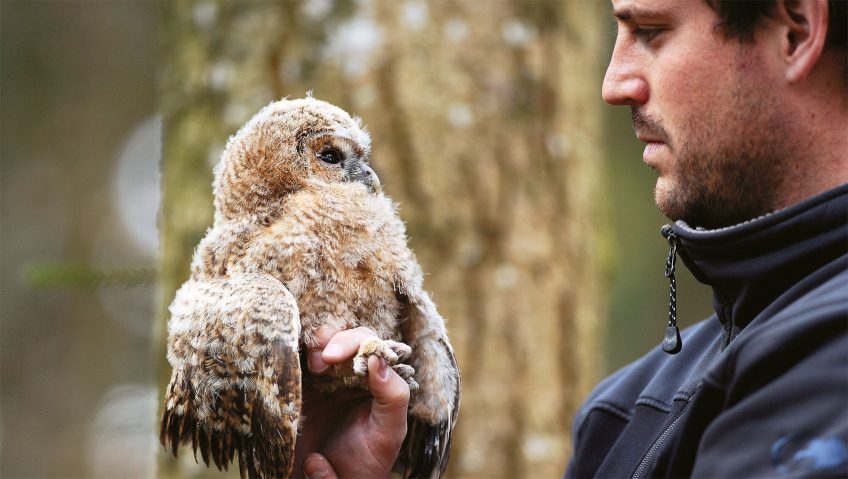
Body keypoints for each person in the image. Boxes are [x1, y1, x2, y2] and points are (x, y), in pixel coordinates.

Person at [301, 0, 848, 477]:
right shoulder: (625, 411)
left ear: (796, 31)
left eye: (651, 32)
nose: (614, 84)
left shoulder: (827, 357)